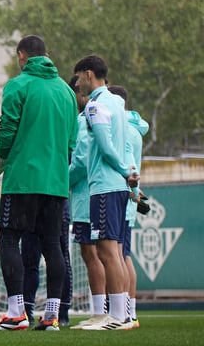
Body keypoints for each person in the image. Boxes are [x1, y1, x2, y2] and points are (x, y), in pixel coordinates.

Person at [0, 36, 77, 332]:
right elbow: (71, 142)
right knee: (53, 245)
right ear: (46, 55)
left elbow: (7, 130)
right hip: (57, 182)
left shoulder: (18, 85)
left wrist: (1, 159)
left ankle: (16, 313)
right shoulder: (66, 91)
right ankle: (51, 316)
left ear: (22, 56)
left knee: (8, 239)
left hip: (22, 179)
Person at [73, 54, 136, 330]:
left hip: (105, 186)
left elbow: (106, 146)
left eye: (78, 77)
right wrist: (128, 175)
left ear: (88, 74)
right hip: (118, 187)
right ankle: (121, 315)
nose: (77, 83)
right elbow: (121, 146)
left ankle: (117, 316)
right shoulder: (117, 104)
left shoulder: (96, 107)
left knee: (108, 251)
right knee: (115, 252)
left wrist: (122, 170)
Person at [67, 76, 100, 329]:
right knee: (110, 254)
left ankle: (102, 312)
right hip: (97, 194)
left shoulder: (84, 119)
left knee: (93, 254)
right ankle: (117, 311)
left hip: (86, 197)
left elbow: (80, 160)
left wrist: (61, 181)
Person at [115, 87, 148, 327]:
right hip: (129, 198)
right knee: (124, 255)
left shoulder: (123, 129)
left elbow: (128, 165)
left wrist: (134, 192)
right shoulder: (136, 129)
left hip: (123, 196)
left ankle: (126, 313)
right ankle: (130, 312)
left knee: (120, 256)